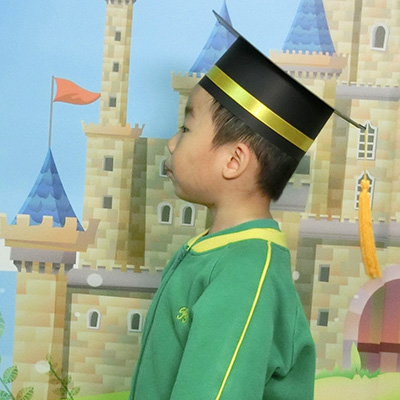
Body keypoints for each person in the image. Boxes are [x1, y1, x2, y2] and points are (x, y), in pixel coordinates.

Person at [129, 14, 359, 400]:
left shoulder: (246, 273)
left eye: (185, 129)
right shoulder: (219, 251)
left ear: (233, 161)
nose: (170, 143)